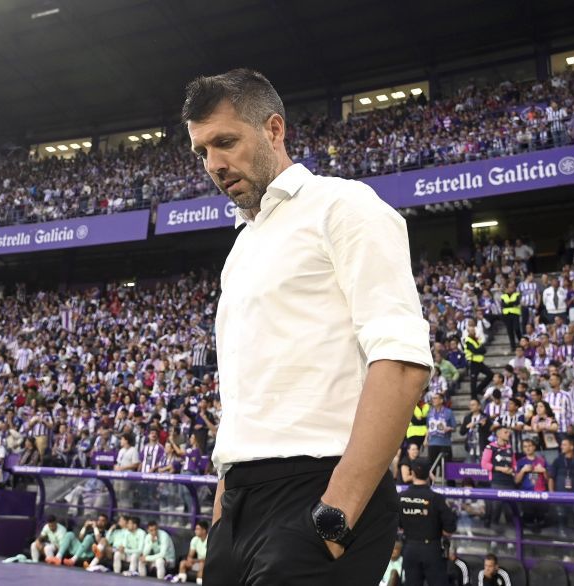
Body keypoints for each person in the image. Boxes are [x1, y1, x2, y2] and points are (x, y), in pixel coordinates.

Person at [184, 68, 432, 585]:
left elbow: (403, 361)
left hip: (320, 489)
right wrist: (223, 514)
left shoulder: (345, 206)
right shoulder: (242, 246)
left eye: (225, 142)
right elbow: (245, 400)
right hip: (239, 505)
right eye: (202, 151)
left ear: (274, 129)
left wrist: (336, 515)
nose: (214, 164)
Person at [399, 459, 456, 586]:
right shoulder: (436, 499)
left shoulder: (401, 497)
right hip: (432, 549)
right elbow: (450, 529)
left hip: (410, 548)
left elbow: (399, 526)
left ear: (412, 473)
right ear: (429, 474)